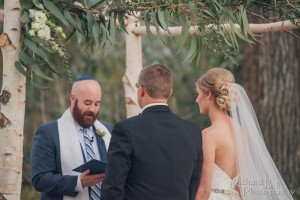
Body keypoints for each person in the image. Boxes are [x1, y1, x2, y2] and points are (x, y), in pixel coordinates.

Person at [101, 64, 203, 200]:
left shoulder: (125, 130)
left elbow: (113, 187)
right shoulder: (193, 132)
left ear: (141, 90)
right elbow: (193, 185)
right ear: (170, 92)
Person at [194, 68, 293, 200]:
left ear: (208, 95)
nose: (196, 100)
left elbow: (205, 190)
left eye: (198, 93)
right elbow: (241, 184)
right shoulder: (240, 130)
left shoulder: (209, 135)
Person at [30, 76, 112, 200]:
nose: (92, 109)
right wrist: (78, 182)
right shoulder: (49, 133)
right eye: (87, 103)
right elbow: (40, 179)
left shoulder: (109, 131)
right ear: (73, 98)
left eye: (97, 104)